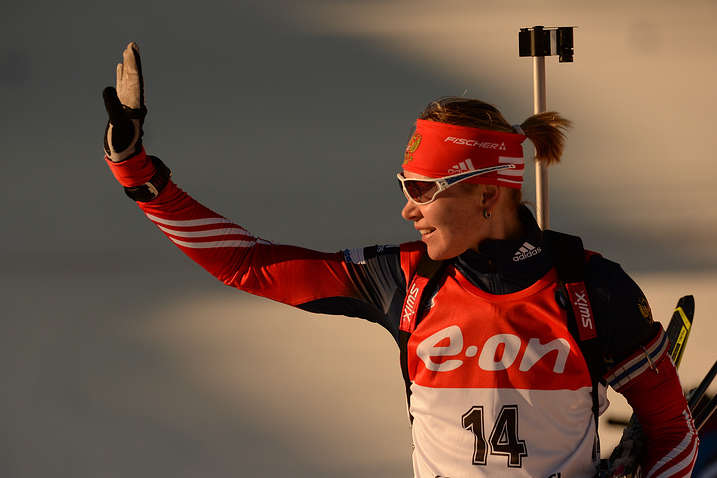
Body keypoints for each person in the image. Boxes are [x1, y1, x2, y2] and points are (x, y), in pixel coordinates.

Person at [102, 42, 698, 478]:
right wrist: (139, 175)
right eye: (404, 187)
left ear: (486, 194)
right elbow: (247, 264)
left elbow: (673, 433)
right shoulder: (405, 277)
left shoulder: (590, 287)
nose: (408, 210)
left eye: (422, 190)